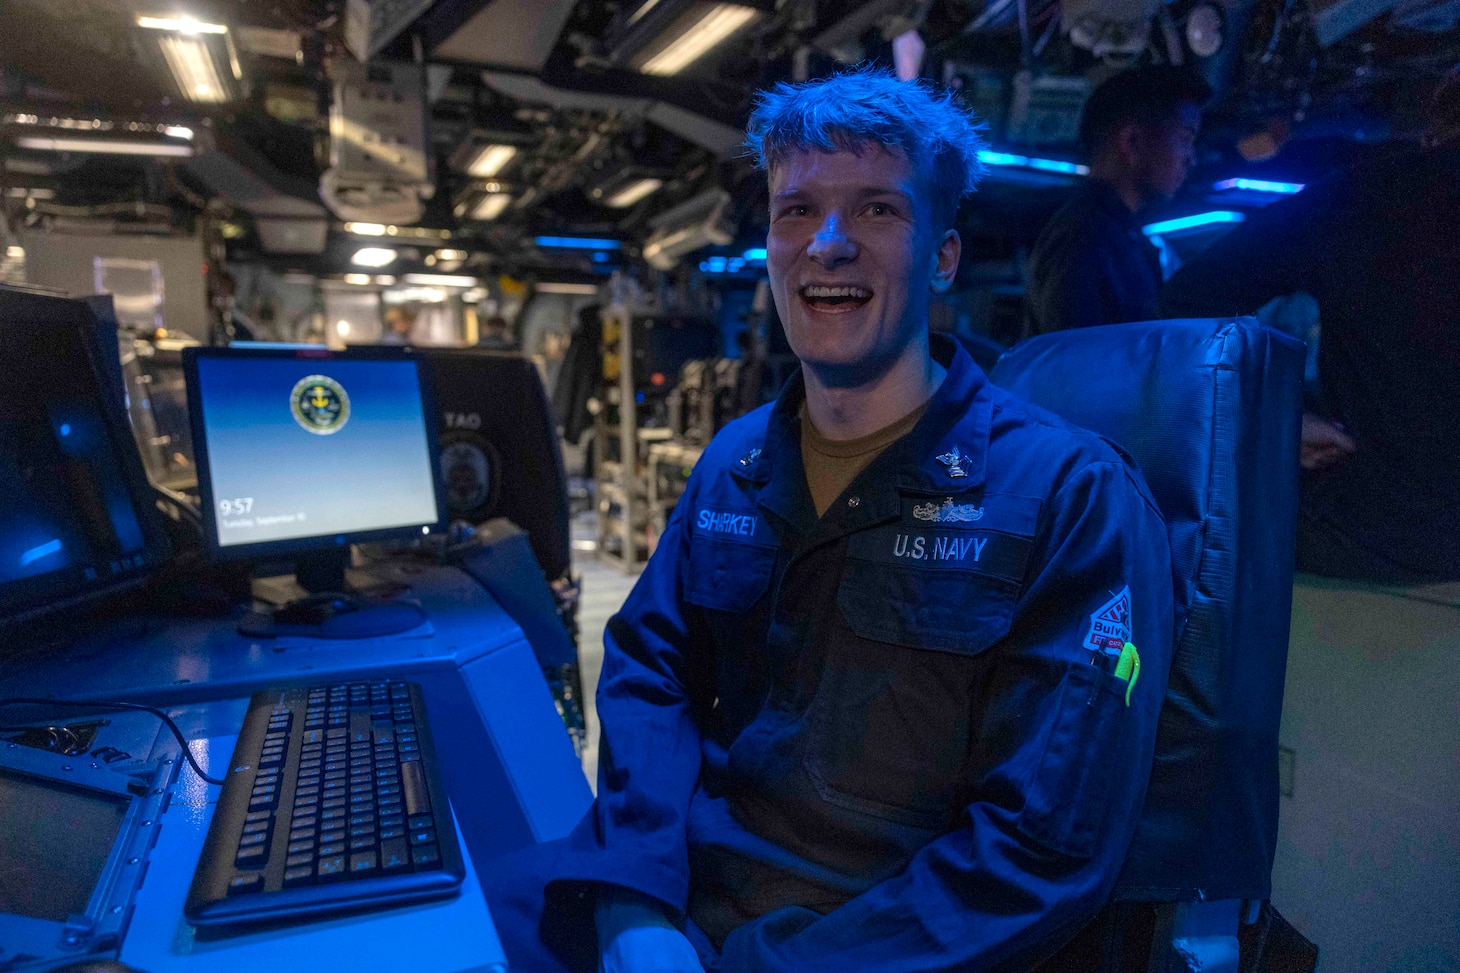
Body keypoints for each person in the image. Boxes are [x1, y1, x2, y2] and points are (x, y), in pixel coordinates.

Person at [483, 68, 1175, 972]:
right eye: (796, 210)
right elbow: (652, 668)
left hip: (884, 943)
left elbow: (1042, 845)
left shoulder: (1070, 496)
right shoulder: (736, 463)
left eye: (879, 210)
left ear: (942, 256)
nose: (829, 244)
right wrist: (632, 897)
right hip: (683, 894)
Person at [1159, 69, 1460, 583]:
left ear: (1436, 127)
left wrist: (1274, 419)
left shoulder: (1369, 194)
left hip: (1379, 524)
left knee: (1163, 507)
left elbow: (1184, 306)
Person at [1024, 66, 1211, 337]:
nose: (1191, 158)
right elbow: (1073, 365)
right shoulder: (1085, 237)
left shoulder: (1116, 236)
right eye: (1184, 137)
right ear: (1131, 142)